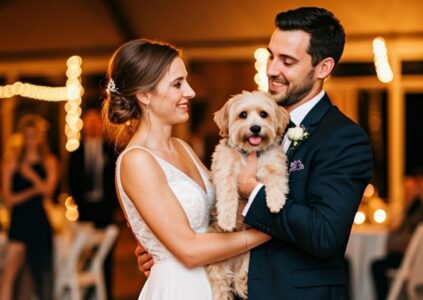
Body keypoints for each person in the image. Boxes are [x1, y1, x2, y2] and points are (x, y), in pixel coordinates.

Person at [137, 7, 373, 299]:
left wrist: (254, 191)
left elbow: (324, 234)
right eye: (272, 55)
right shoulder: (248, 124)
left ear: (323, 68)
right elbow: (212, 207)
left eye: (287, 61)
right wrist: (169, 247)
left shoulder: (343, 138)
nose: (272, 69)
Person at [102, 39, 270, 299]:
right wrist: (268, 232)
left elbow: (222, 210)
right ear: (145, 95)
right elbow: (189, 249)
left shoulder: (182, 148)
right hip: (180, 288)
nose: (191, 92)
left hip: (213, 283)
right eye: (178, 84)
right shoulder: (137, 161)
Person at [0, 114, 59, 300]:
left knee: (43, 277)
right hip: (18, 223)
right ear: (22, 136)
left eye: (34, 135)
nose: (31, 140)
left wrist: (31, 175)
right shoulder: (11, 162)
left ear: (40, 136)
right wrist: (34, 190)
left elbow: (48, 192)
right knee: (8, 276)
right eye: (27, 135)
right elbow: (8, 200)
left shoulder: (49, 161)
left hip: (39, 223)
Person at [67, 107, 118, 299]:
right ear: (84, 125)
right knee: (84, 253)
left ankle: (106, 294)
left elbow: (115, 179)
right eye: (89, 122)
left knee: (105, 256)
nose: (93, 125)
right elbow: (71, 180)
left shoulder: (110, 150)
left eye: (96, 121)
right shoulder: (76, 152)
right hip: (85, 211)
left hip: (105, 211)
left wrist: (113, 207)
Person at [371, 168, 423, 300]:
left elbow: (410, 236)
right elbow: (398, 230)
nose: (407, 190)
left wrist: (397, 239)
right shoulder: (413, 206)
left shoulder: (420, 208)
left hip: (413, 257)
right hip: (404, 251)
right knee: (377, 264)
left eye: (409, 187)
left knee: (378, 266)